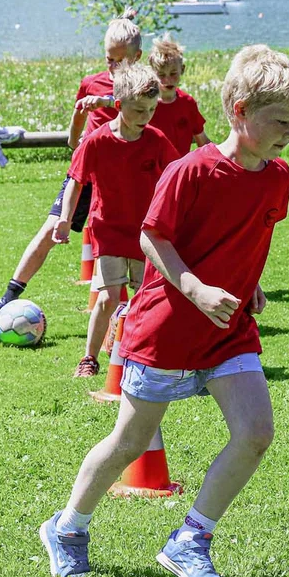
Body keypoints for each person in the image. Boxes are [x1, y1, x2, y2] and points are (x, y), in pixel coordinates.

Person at [38, 45, 289, 577]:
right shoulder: (192, 169)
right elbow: (152, 235)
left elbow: (247, 234)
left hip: (227, 332)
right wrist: (194, 287)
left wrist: (248, 281)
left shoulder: (278, 177)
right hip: (164, 331)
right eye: (279, 120)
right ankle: (67, 527)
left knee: (256, 433)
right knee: (129, 443)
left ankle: (191, 540)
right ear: (238, 109)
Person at [0, 14, 144, 330]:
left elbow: (135, 103)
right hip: (88, 175)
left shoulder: (143, 89)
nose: (113, 68)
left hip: (129, 181)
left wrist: (107, 100)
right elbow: (73, 138)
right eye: (109, 60)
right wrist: (80, 123)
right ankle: (8, 297)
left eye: (121, 62)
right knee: (50, 229)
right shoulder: (91, 83)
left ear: (137, 58)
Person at [55, 62, 178, 378]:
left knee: (145, 298)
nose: (145, 117)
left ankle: (143, 356)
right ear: (118, 105)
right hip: (107, 229)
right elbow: (76, 180)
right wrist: (65, 220)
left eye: (150, 110)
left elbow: (178, 178)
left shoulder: (156, 140)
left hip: (145, 234)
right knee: (109, 297)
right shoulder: (96, 141)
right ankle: (89, 359)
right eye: (138, 110)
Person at [147, 37, 213, 150]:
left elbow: (202, 141)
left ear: (182, 69)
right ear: (152, 73)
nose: (168, 80)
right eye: (161, 75)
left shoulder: (187, 103)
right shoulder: (145, 104)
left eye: (173, 73)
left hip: (180, 166)